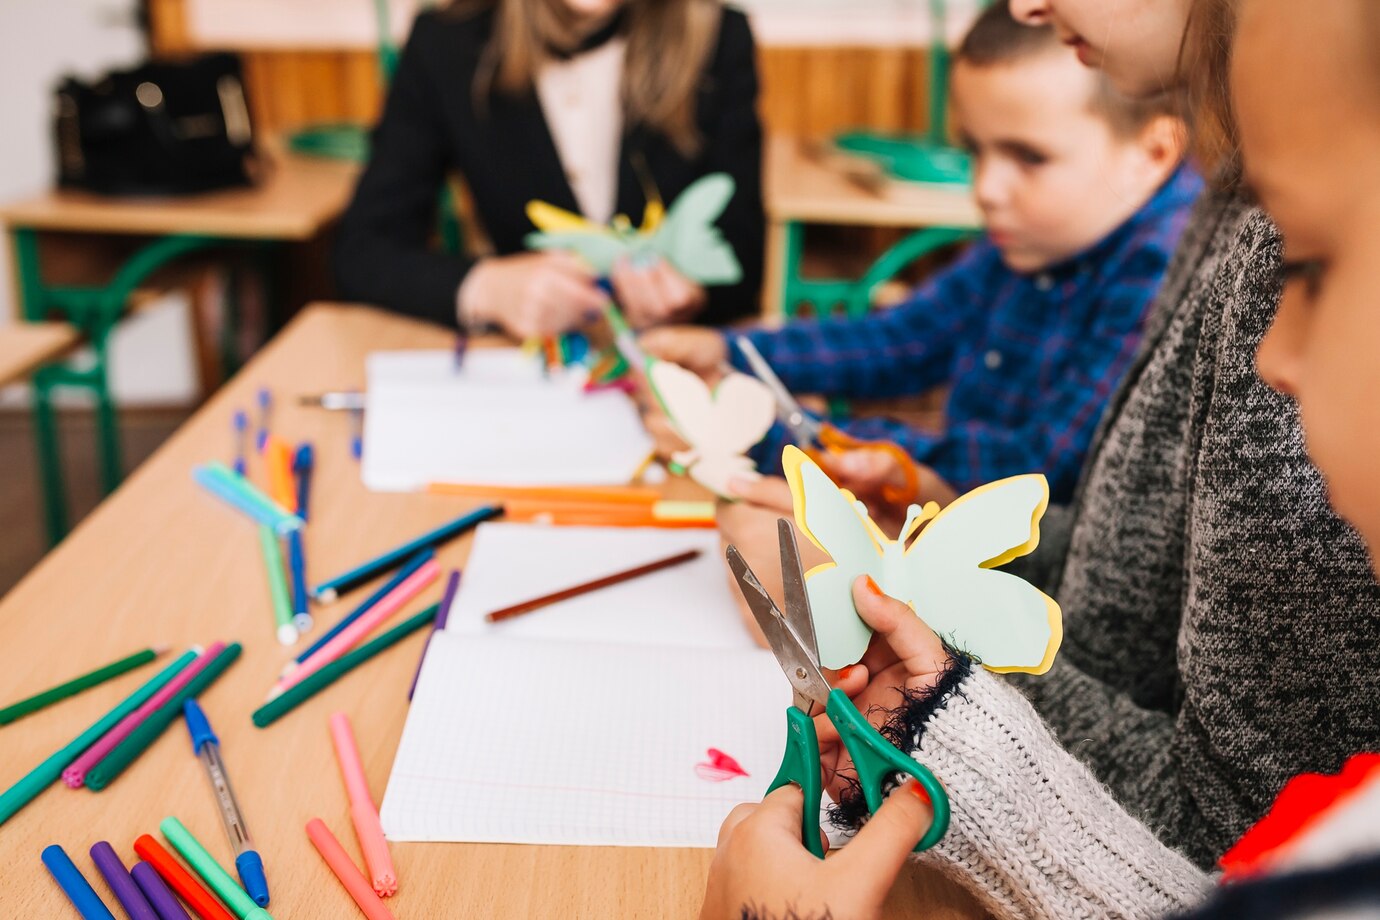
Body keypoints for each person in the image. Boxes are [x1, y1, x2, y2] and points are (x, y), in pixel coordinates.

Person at [701, 0, 1380, 917]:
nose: (1021, 4)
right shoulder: (1238, 200)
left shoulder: (1278, 225)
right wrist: (922, 542)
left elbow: (1234, 840)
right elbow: (1134, 564)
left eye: (1313, 272)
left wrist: (932, 689)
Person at [642, 1, 1198, 508]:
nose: (986, 189)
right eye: (974, 151)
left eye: (1028, 157)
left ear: (1152, 153)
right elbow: (900, 338)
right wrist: (727, 349)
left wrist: (766, 429)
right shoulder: (1031, 240)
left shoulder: (1160, 270)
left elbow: (1036, 468)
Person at [333, 0, 764, 339]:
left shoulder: (718, 36)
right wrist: (486, 289)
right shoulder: (447, 43)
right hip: (526, 374)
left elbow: (743, 256)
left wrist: (694, 292)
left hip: (672, 368)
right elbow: (363, 249)